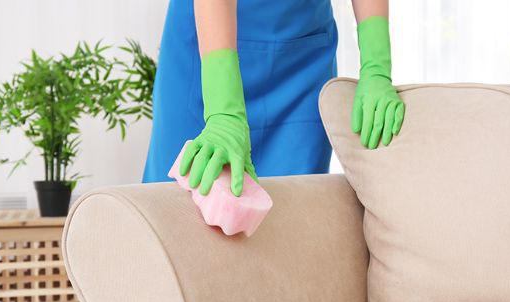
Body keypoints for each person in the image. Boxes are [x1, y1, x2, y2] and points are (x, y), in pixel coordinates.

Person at [142, 0, 405, 196]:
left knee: (291, 214)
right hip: (206, 51)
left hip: (301, 56)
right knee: (176, 211)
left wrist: (376, 67)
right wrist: (223, 113)